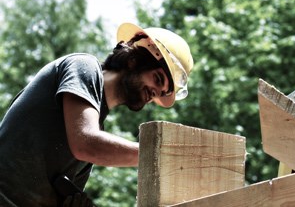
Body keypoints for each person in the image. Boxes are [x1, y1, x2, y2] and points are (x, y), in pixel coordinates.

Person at [0, 22, 194, 206]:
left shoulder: (97, 133)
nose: (155, 93)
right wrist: (160, 154)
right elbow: (86, 143)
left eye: (161, 93)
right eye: (158, 79)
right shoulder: (84, 67)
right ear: (134, 60)